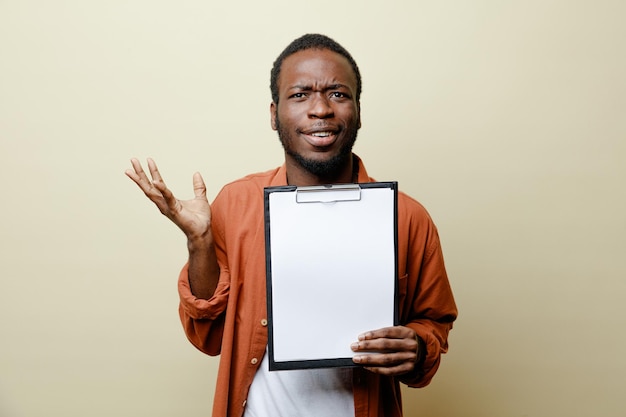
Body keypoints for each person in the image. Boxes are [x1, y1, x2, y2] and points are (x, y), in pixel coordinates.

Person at [126, 33, 457, 417]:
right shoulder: (235, 204)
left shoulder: (407, 218)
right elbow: (209, 337)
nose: (320, 109)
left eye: (338, 93)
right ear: (273, 114)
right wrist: (200, 241)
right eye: (300, 95)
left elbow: (434, 324)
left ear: (358, 111)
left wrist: (417, 347)